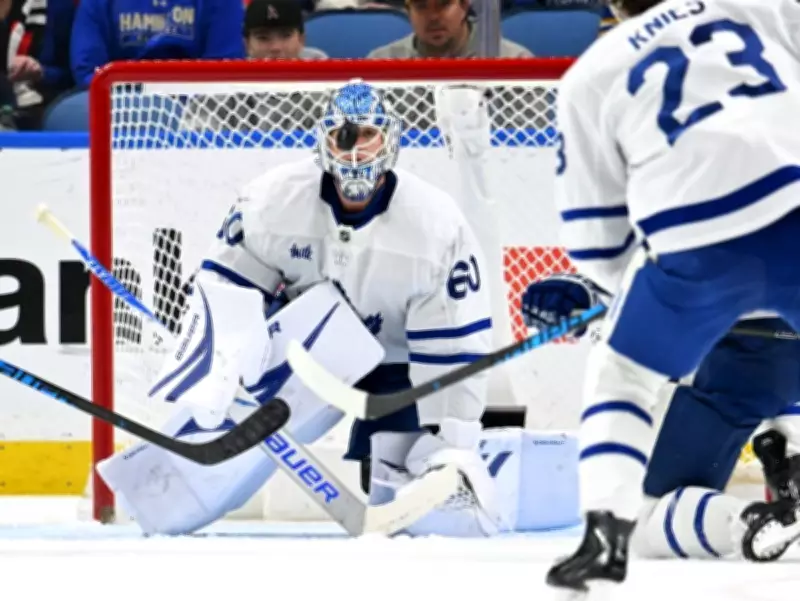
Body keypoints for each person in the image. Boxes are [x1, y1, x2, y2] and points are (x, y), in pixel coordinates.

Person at [96, 80, 503, 537]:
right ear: (322, 141)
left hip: (399, 364)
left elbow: (453, 348)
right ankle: (162, 487)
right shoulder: (271, 201)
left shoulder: (435, 225)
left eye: (368, 135)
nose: (355, 151)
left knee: (403, 494)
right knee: (217, 422)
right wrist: (220, 369)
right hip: (307, 350)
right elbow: (223, 293)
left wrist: (452, 442)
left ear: (390, 139)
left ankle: (433, 471)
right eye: (342, 137)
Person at [530, 0, 800, 592]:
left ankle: (622, 531)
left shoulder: (593, 75)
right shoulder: (762, 8)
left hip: (721, 306)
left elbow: (603, 251)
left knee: (625, 391)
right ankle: (788, 439)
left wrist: (600, 297)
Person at [523, 277, 800, 560]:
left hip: (743, 355)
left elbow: (649, 268)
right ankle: (790, 454)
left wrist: (585, 292)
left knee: (637, 516)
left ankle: (747, 521)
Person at [70, 0, 245, 88]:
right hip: (118, 100)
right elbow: (88, 69)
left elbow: (224, 65)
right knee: (71, 112)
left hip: (196, 104)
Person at [368, 0, 532, 58]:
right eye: (421, 6)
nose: (433, 16)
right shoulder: (380, 63)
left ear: (464, 5)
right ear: (408, 12)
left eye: (444, 4)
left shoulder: (515, 60)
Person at [244, 0, 327, 60]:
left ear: (301, 40)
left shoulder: (323, 72)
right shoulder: (237, 76)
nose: (276, 48)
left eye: (286, 36)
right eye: (263, 38)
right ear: (247, 44)